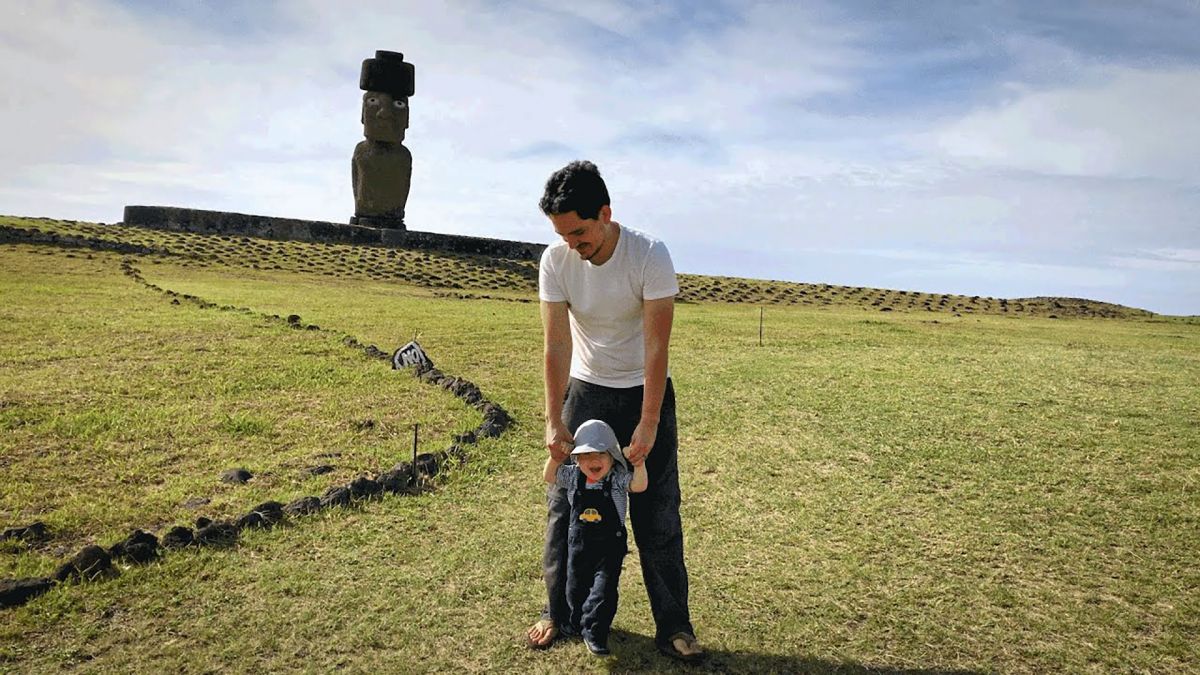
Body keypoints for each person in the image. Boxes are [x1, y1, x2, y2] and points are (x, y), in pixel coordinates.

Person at [527, 160, 703, 661]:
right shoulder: (556, 261)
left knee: (657, 511)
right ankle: (558, 613)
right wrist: (553, 418)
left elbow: (656, 347)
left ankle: (674, 626)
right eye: (562, 234)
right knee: (566, 508)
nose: (572, 245)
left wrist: (648, 422)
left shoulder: (650, 254)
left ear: (605, 213)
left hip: (643, 391)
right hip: (584, 391)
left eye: (579, 232)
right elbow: (556, 346)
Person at [543, 419, 648, 656]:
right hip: (578, 545)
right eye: (586, 455)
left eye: (601, 453)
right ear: (577, 459)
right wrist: (557, 458)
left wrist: (638, 464)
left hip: (609, 548)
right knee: (574, 587)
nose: (593, 461)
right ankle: (575, 623)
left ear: (612, 457)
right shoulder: (572, 476)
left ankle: (595, 632)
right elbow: (549, 476)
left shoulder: (617, 479)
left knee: (603, 590)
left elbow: (639, 486)